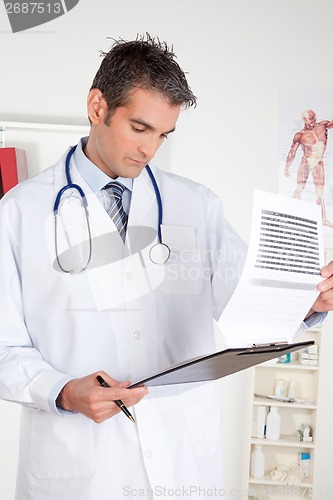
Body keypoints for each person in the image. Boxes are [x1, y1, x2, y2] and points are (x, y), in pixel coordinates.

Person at [1, 34, 333, 500]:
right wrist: (61, 391)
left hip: (180, 455)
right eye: (139, 128)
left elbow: (246, 304)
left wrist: (306, 301)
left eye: (163, 135)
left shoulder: (195, 204)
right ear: (98, 106)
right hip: (78, 464)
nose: (150, 150)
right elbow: (3, 346)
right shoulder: (19, 212)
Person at [284, 108, 333, 226]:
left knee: (320, 193)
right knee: (299, 188)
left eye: (314, 116)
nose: (314, 120)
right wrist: (286, 167)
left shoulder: (322, 126)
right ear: (304, 120)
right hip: (306, 162)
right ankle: (291, 215)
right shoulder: (300, 135)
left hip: (318, 164)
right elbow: (292, 152)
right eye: (311, 118)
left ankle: (323, 219)